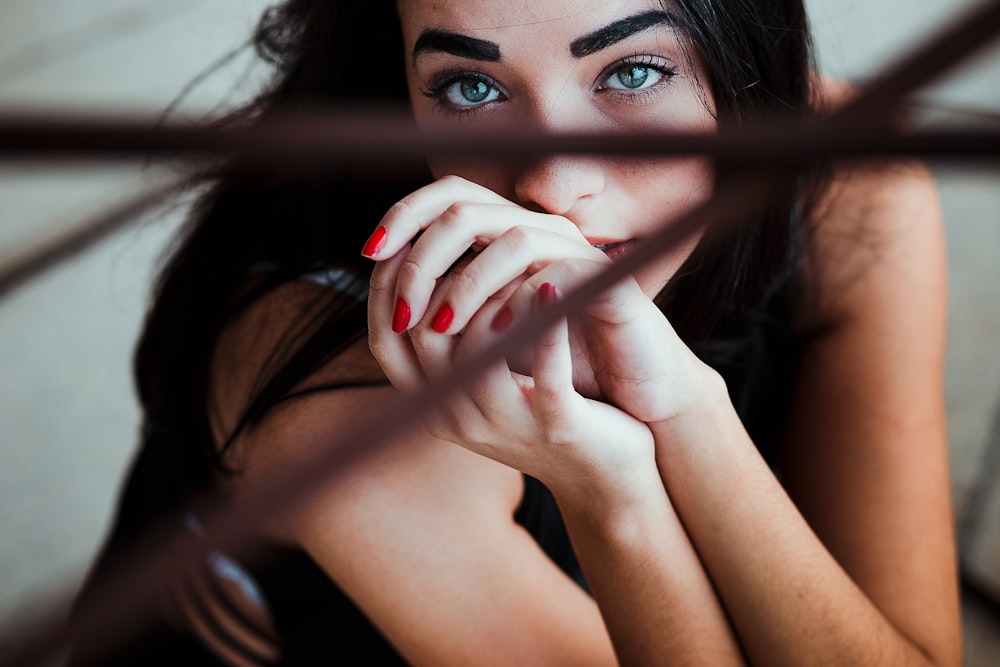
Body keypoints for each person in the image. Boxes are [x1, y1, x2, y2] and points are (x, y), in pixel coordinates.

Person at [70, 0, 961, 665]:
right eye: (472, 86)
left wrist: (690, 413)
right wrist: (612, 487)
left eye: (633, 72)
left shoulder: (852, 185)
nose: (555, 183)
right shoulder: (346, 387)